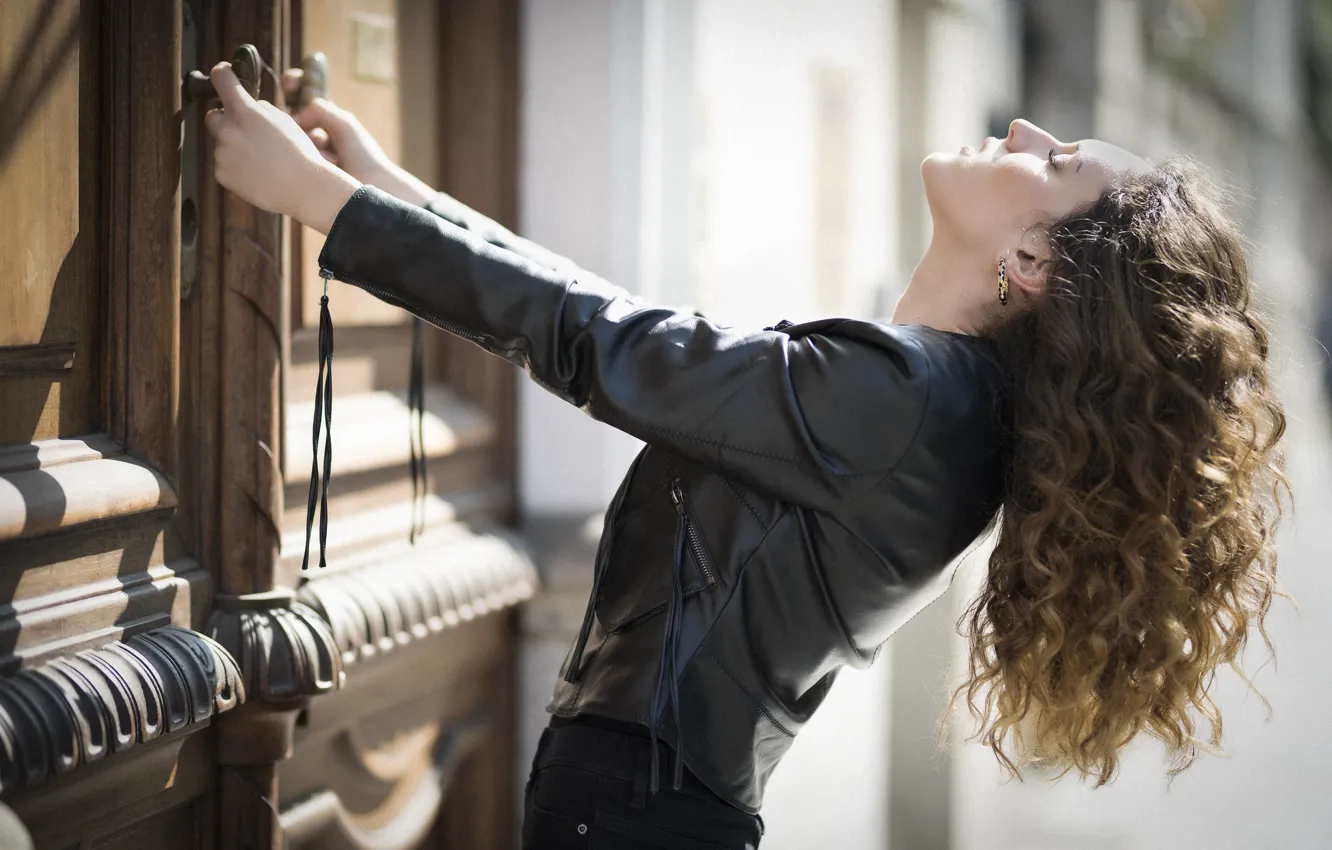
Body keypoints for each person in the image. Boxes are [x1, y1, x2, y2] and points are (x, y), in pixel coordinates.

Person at [203, 61, 1289, 849]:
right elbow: (631, 328)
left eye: (1050, 162)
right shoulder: (938, 407)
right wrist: (391, 190)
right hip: (654, 812)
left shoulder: (905, 399)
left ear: (1033, 262)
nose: (1017, 128)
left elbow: (608, 341)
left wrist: (322, 203)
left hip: (633, 818)